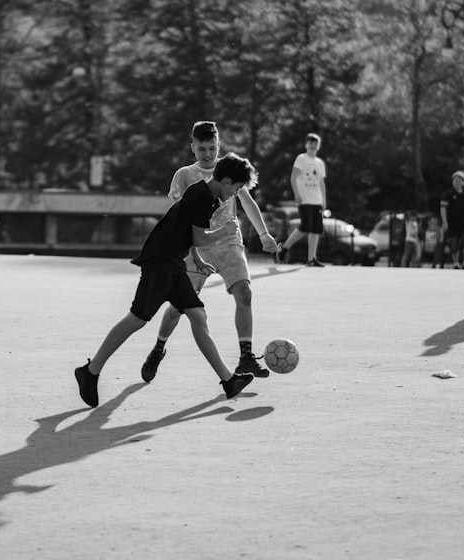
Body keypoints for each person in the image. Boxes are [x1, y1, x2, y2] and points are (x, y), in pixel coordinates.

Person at [74, 153, 260, 408]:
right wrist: (224, 231)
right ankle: (90, 371)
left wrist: (197, 257)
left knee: (197, 315)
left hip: (173, 262)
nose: (235, 194)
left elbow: (186, 233)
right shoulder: (202, 197)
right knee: (137, 319)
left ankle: (229, 381)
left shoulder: (206, 195)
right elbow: (200, 237)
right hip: (161, 262)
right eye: (237, 189)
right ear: (226, 181)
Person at [140, 121, 279, 384]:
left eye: (212, 147)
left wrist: (264, 234)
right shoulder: (184, 175)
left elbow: (247, 202)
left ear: (219, 145)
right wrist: (193, 255)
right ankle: (159, 348)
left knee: (245, 292)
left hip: (228, 242)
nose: (207, 153)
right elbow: (181, 220)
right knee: (178, 308)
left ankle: (245, 356)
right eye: (202, 148)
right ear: (192, 147)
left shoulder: (228, 170)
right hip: (196, 246)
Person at [276, 133, 328, 267]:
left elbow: (321, 183)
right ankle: (285, 247)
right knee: (306, 226)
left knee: (316, 229)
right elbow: (293, 177)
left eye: (315, 143)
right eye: (310, 142)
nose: (313, 145)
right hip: (305, 198)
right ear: (306, 144)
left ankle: (311, 259)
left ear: (318, 145)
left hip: (317, 200)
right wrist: (296, 194)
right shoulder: (301, 158)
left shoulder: (320, 163)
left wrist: (324, 200)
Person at [441, 171, 464, 269]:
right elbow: (442, 208)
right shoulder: (448, 194)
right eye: (455, 180)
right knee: (453, 243)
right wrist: (444, 221)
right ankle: (455, 263)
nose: (456, 182)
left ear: (462, 182)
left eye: (459, 180)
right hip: (452, 224)